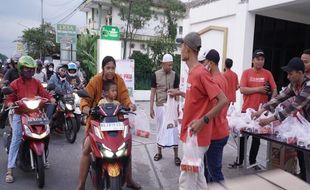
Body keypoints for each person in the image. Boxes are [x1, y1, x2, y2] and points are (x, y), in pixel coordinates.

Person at [172, 32, 227, 190]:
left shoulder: (201, 72)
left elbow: (223, 100)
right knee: (198, 178)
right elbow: (199, 100)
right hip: (192, 136)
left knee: (187, 180)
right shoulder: (193, 72)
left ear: (188, 48)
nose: (180, 49)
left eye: (182, 46)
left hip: (196, 137)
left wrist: (204, 120)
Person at [76, 56, 141, 190]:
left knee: (126, 148)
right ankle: (81, 184)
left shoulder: (119, 80)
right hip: (97, 121)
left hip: (117, 120)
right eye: (108, 68)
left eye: (112, 68)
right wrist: (86, 108)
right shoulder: (95, 80)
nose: (110, 71)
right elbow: (85, 98)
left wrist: (130, 105)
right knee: (87, 148)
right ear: (103, 68)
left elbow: (125, 97)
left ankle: (129, 180)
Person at [252, 57, 310, 182]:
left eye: (290, 73)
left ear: (300, 73)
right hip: (306, 127)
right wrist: (261, 111)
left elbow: (293, 107)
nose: (288, 76)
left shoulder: (308, 87)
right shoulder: (294, 85)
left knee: (308, 159)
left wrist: (269, 120)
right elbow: (279, 98)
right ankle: (304, 180)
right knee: (302, 154)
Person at [4, 55, 55, 183]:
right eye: (27, 69)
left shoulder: (36, 82)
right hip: (20, 114)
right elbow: (9, 98)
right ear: (21, 69)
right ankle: (10, 169)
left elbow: (44, 93)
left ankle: (44, 158)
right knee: (16, 138)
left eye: (32, 69)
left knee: (46, 133)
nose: (30, 71)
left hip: (35, 113)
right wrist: (10, 103)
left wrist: (51, 99)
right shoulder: (14, 83)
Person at [230, 49, 277, 170]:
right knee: (243, 136)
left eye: (262, 59)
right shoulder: (246, 73)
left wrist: (272, 102)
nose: (260, 61)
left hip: (261, 113)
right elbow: (242, 90)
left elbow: (275, 89)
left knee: (257, 139)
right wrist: (259, 90)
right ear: (252, 60)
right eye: (258, 59)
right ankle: (240, 161)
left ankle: (252, 161)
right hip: (247, 112)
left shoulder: (268, 73)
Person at [202, 49, 229, 182]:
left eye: (205, 62)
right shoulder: (223, 78)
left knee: (214, 172)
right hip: (222, 129)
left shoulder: (213, 81)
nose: (203, 65)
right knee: (209, 169)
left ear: (211, 63)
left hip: (215, 133)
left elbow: (212, 107)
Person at [150, 53, 181, 166]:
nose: (170, 67)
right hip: (160, 106)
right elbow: (153, 91)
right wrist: (151, 108)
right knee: (160, 129)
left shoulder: (175, 75)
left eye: (171, 65)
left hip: (171, 106)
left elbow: (177, 90)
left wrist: (177, 107)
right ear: (163, 64)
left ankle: (176, 155)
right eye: (168, 65)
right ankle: (159, 153)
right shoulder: (156, 75)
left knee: (173, 129)